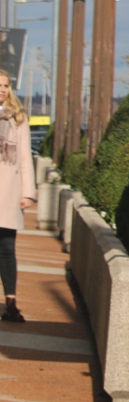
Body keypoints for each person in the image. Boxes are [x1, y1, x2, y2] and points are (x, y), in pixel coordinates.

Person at [0, 71, 35, 322]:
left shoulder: (18, 118)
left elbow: (24, 157)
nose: (2, 89)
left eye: (6, 85)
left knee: (6, 247)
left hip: (7, 192)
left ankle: (10, 302)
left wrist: (28, 193)